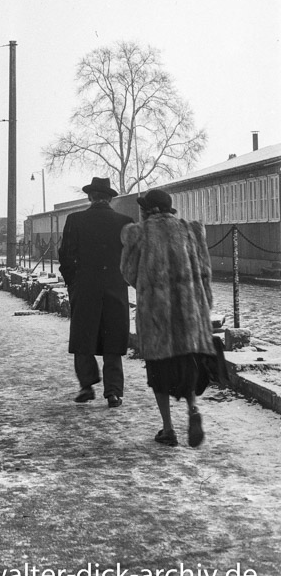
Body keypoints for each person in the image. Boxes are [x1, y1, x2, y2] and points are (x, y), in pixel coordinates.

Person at [120, 188, 220, 448]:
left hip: (157, 315)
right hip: (189, 313)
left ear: (149, 210)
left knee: (159, 371)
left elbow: (129, 273)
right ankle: (192, 410)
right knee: (187, 365)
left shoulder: (140, 233)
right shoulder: (189, 231)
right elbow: (206, 273)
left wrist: (149, 281)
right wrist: (203, 305)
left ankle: (168, 428)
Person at [58, 176, 134, 407]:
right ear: (110, 198)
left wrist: (74, 282)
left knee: (83, 337)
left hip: (85, 286)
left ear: (90, 197)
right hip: (115, 286)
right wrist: (123, 279)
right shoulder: (125, 221)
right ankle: (113, 392)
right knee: (113, 338)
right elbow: (131, 257)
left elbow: (66, 256)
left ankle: (86, 386)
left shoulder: (75, 220)